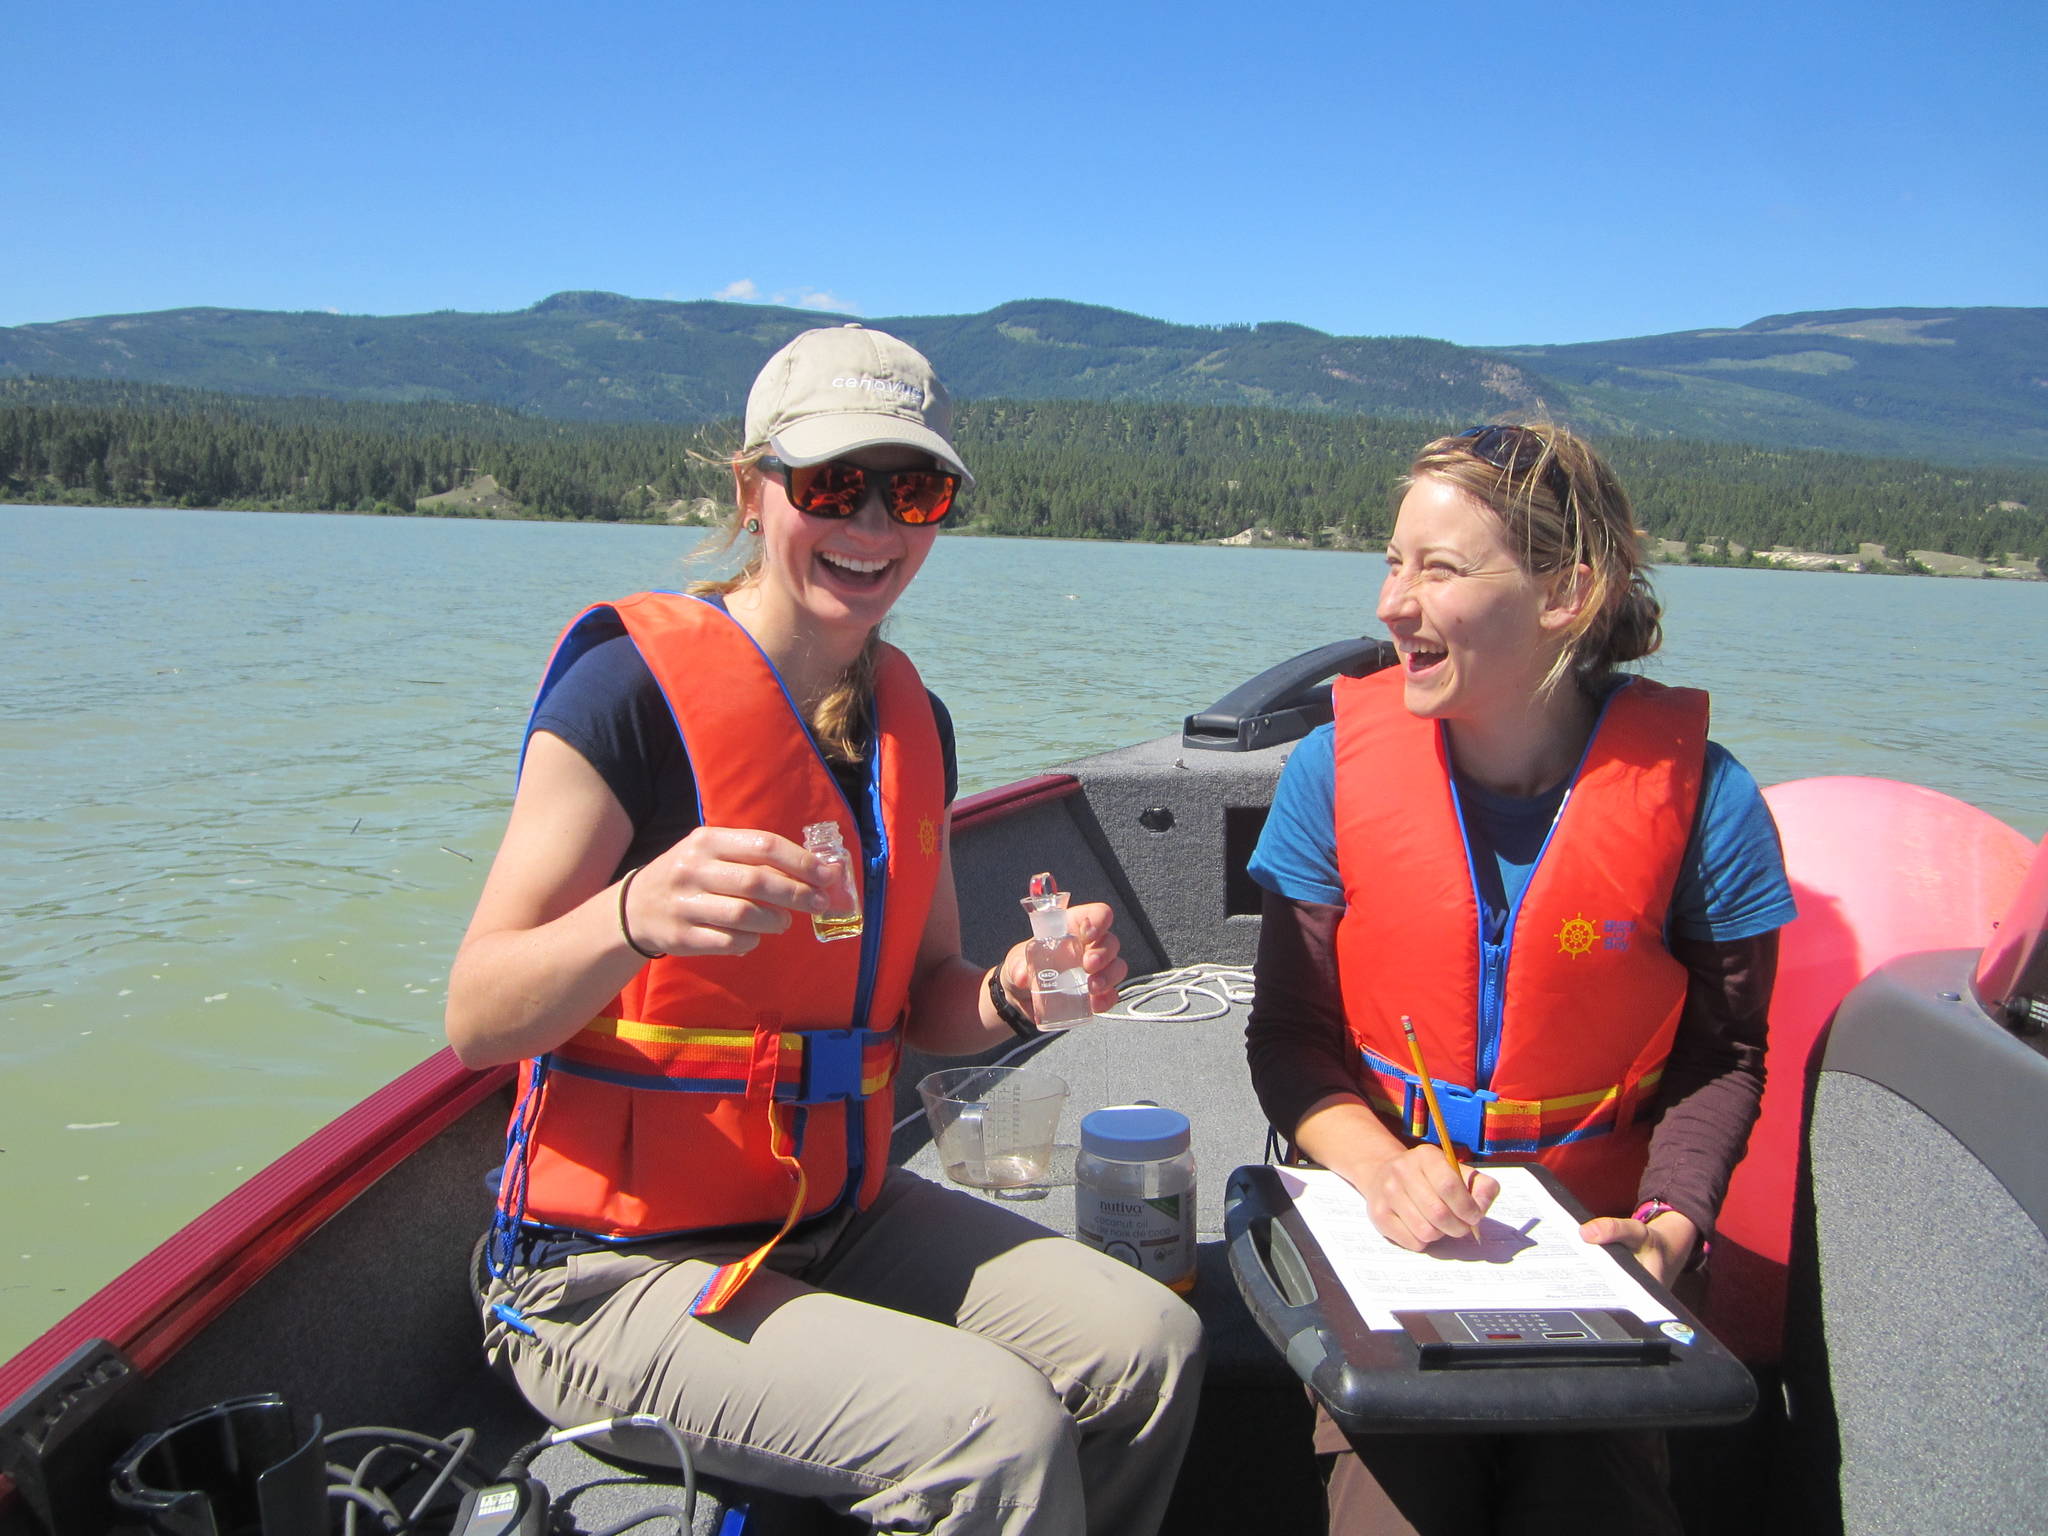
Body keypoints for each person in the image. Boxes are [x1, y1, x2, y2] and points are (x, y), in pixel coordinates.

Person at [447, 324, 1204, 1535]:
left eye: (912, 491)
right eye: (830, 485)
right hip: (603, 1277)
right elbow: (477, 1019)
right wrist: (632, 915)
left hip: (831, 1221)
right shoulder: (627, 696)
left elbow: (927, 1003)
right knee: (994, 1432)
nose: (871, 527)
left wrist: (1017, 991)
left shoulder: (913, 722)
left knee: (1148, 1345)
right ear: (753, 491)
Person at [1244, 423, 1795, 1535]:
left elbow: (1724, 1056)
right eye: (1392, 562)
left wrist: (1664, 1231)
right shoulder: (1327, 774)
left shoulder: (1707, 802)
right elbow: (1288, 1038)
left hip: (1599, 1254)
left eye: (1436, 569)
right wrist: (1381, 1168)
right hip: (1388, 1246)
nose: (1392, 603)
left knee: (1594, 1504)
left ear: (1565, 594)